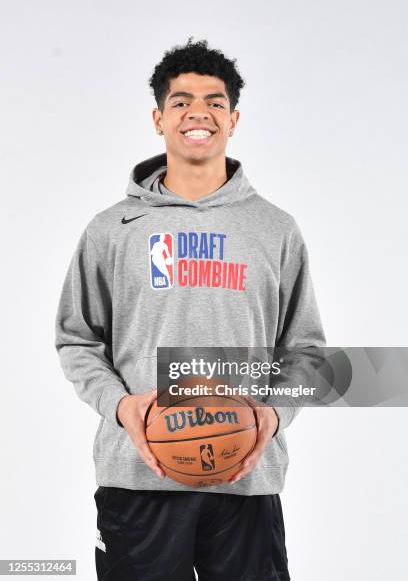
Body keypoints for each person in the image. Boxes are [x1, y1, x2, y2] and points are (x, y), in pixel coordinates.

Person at [55, 37, 326, 581]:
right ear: (158, 118)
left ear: (234, 118)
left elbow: (307, 354)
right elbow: (77, 340)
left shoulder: (275, 228)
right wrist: (122, 407)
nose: (198, 112)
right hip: (138, 476)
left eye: (214, 101)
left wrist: (270, 419)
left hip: (246, 479)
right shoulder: (112, 229)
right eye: (180, 102)